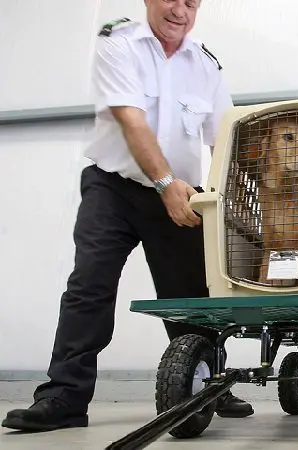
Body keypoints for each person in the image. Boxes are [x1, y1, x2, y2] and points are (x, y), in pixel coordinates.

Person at [2, 0, 254, 432]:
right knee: (89, 286)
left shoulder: (207, 66)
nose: (180, 10)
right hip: (113, 188)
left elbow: (223, 141)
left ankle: (209, 383)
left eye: (191, 2)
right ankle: (64, 396)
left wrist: (225, 201)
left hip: (183, 194)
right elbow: (131, 120)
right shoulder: (118, 44)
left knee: (191, 297)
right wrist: (164, 184)